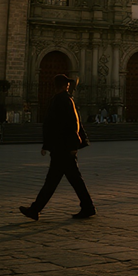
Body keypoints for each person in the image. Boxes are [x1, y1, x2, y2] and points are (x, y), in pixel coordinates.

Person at [19, 74, 95, 221]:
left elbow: (73, 123)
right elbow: (53, 125)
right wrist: (47, 144)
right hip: (61, 147)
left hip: (63, 148)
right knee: (70, 180)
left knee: (54, 181)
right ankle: (87, 207)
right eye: (66, 84)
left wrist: (73, 145)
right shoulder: (62, 100)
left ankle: (35, 209)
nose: (68, 86)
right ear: (61, 85)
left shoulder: (65, 100)